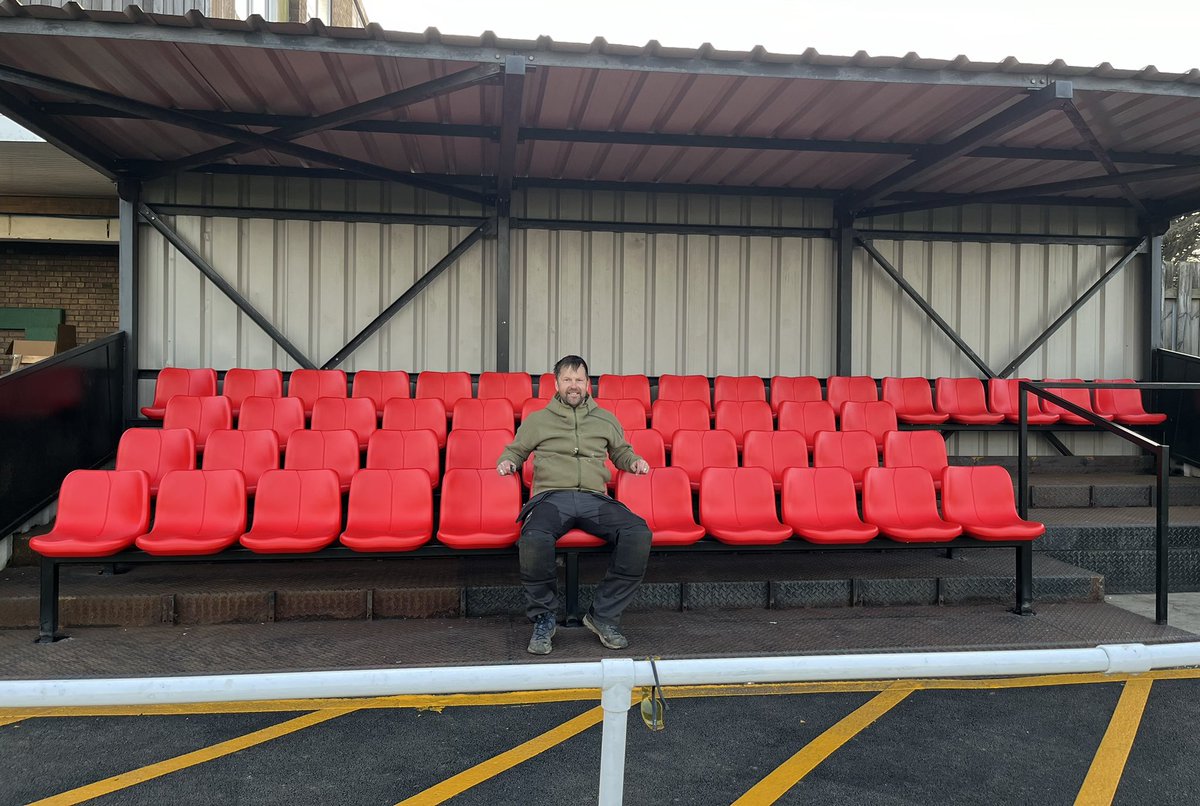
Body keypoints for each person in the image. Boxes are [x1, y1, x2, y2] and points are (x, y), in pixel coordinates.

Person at [497, 355, 652, 655]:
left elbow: (621, 452)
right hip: (551, 498)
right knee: (534, 538)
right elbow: (515, 450)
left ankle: (603, 616)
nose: (573, 386)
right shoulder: (538, 420)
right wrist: (508, 462)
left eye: (579, 380)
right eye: (567, 380)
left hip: (594, 498)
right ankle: (543, 619)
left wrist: (634, 462)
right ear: (556, 384)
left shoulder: (605, 419)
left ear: (588, 384)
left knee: (638, 533)